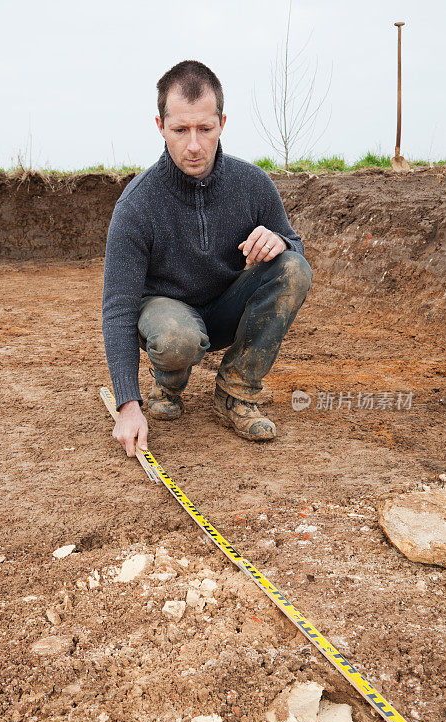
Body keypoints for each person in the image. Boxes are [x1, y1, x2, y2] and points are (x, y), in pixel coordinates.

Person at [102, 60, 312, 457]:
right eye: (180, 130)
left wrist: (281, 243)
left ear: (222, 122)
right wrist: (128, 406)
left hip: (224, 309)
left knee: (293, 268)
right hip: (167, 320)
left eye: (205, 129)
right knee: (177, 337)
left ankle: (236, 392)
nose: (194, 144)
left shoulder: (253, 184)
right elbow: (117, 309)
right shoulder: (136, 205)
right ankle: (168, 379)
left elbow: (296, 247)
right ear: (161, 127)